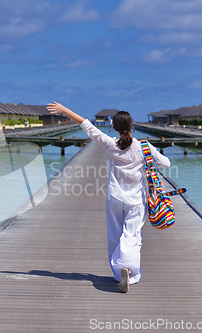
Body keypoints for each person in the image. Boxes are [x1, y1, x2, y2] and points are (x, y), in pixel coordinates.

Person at [47, 102, 171, 293]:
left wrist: (64, 111)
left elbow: (87, 126)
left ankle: (117, 272)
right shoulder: (143, 147)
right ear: (132, 126)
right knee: (132, 236)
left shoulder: (110, 144)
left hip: (114, 198)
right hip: (136, 200)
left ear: (114, 128)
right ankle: (130, 271)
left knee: (115, 236)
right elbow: (166, 163)